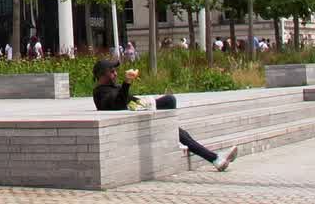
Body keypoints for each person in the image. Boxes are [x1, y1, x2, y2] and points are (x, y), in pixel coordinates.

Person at [91, 59, 237, 172]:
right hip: (137, 118)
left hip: (143, 111)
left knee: (176, 119)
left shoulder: (111, 87)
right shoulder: (100, 92)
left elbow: (126, 99)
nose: (115, 74)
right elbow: (118, 105)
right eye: (112, 72)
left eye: (115, 71)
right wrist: (127, 82)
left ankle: (215, 158)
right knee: (171, 106)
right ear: (102, 75)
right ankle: (215, 158)